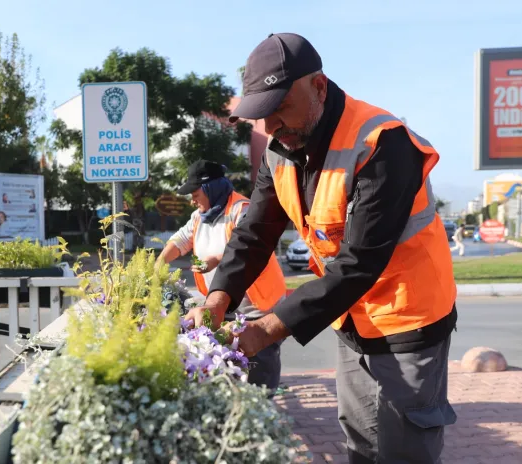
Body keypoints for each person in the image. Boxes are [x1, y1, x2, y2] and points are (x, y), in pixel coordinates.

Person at [185, 33, 458, 463]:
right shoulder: (281, 149)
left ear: (319, 86)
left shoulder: (383, 142)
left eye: (281, 109)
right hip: (349, 318)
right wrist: (218, 298)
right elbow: (254, 233)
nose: (272, 126)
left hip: (409, 319)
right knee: (362, 441)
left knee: (405, 449)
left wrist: (267, 330)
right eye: (263, 116)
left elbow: (359, 262)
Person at [157, 160, 287, 392]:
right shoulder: (200, 216)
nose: (192, 200)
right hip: (222, 307)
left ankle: (262, 413)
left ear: (210, 189)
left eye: (195, 193)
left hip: (257, 307)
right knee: (230, 370)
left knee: (259, 369)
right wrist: (158, 264)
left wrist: (216, 259)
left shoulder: (242, 209)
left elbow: (246, 247)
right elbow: (180, 240)